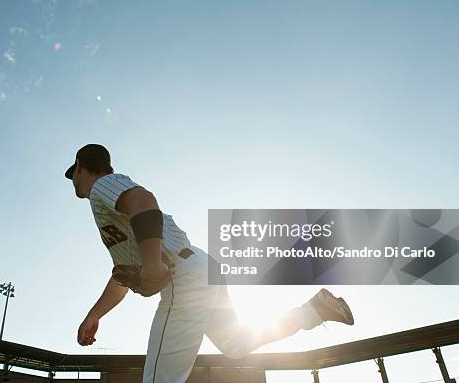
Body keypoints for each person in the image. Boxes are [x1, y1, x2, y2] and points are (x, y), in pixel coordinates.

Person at [65, 144, 355, 383]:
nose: (74, 182)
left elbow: (143, 200)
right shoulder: (110, 213)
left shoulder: (103, 185)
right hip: (202, 267)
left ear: (80, 166)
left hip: (184, 277)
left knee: (159, 380)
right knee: (235, 345)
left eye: (73, 175)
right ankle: (314, 311)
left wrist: (152, 263)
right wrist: (96, 315)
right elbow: (122, 277)